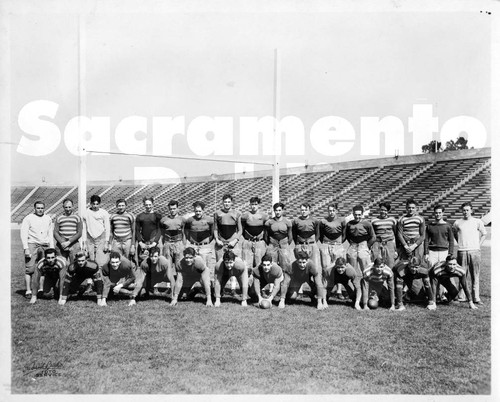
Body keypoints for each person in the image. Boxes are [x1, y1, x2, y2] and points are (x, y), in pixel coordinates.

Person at [452, 202, 487, 305]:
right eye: (464, 210)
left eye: (467, 210)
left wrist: (479, 245)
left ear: (471, 210)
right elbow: (454, 233)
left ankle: (476, 297)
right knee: (462, 274)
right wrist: (459, 242)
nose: (465, 212)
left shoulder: (477, 221)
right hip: (462, 251)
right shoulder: (458, 222)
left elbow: (484, 234)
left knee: (475, 275)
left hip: (475, 251)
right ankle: (461, 296)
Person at [20, 201, 54, 298]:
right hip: (32, 244)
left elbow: (50, 233)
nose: (40, 210)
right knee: (30, 269)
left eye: (42, 208)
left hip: (45, 245)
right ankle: (28, 291)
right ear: (34, 208)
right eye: (38, 208)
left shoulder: (48, 218)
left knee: (43, 268)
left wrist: (51, 247)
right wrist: (26, 248)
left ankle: (41, 289)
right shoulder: (28, 218)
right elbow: (24, 233)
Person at [318, 203, 346, 299]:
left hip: (337, 245)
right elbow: (321, 234)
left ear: (336, 211)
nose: (331, 212)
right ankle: (325, 290)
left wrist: (339, 242)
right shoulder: (323, 221)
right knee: (326, 268)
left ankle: (339, 291)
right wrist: (326, 243)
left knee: (338, 266)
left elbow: (344, 233)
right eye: (330, 210)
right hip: (326, 245)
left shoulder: (341, 220)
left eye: (333, 210)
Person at [184, 201, 215, 281]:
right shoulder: (189, 220)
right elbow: (186, 232)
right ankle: (191, 287)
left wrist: (207, 241)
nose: (198, 213)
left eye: (200, 211)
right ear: (194, 211)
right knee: (191, 266)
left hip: (205, 246)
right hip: (193, 245)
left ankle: (207, 288)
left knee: (206, 267)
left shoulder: (209, 220)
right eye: (196, 211)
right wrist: (191, 240)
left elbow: (212, 233)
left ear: (203, 210)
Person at [345, 205, 375, 276]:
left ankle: (366, 286)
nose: (357, 216)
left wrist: (367, 246)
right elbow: (347, 235)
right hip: (353, 246)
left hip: (363, 245)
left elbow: (373, 237)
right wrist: (352, 244)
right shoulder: (349, 224)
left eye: (359, 215)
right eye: (355, 214)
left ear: (362, 214)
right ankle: (355, 286)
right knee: (352, 270)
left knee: (366, 270)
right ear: (353, 214)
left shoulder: (367, 223)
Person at [240, 196, 269, 271]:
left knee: (260, 265)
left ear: (258, 205)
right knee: (246, 265)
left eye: (255, 204)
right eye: (252, 204)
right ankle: (248, 282)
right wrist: (246, 236)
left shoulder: (264, 216)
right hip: (248, 242)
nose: (253, 206)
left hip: (259, 242)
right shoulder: (246, 215)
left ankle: (259, 282)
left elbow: (267, 228)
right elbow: (241, 226)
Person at [83, 194, 110, 269]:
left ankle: (101, 278)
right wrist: (84, 242)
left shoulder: (104, 213)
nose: (95, 206)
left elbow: (107, 227)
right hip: (90, 238)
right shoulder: (86, 213)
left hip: (101, 238)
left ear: (99, 204)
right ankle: (91, 279)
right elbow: (84, 228)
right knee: (91, 260)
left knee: (101, 261)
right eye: (93, 204)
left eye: (97, 204)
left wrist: (106, 242)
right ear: (90, 204)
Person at [264, 202, 293, 271]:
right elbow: (266, 235)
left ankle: (285, 280)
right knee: (272, 264)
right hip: (273, 244)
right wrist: (270, 243)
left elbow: (290, 235)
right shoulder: (269, 222)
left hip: (284, 244)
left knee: (285, 264)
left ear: (282, 211)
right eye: (276, 210)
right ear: (274, 211)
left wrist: (285, 243)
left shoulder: (287, 222)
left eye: (279, 210)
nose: (278, 212)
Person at [213, 194, 242, 261]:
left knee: (234, 263)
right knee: (220, 264)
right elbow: (215, 228)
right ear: (222, 202)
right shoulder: (217, 213)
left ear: (231, 203)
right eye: (225, 202)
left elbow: (240, 230)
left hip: (232, 243)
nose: (227, 204)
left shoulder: (237, 213)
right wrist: (217, 240)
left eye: (229, 202)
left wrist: (235, 241)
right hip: (221, 243)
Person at [54, 198, 82, 264]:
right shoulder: (59, 218)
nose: (68, 209)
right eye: (66, 207)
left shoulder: (77, 218)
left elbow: (79, 233)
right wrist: (62, 242)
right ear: (63, 207)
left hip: (74, 243)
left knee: (75, 264)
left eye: (69, 207)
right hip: (61, 244)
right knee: (61, 264)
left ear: (73, 206)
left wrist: (69, 242)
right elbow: (55, 232)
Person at [292, 203, 320, 268]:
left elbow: (318, 234)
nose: (303, 211)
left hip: (311, 245)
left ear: (309, 211)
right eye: (302, 210)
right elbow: (294, 234)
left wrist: (313, 242)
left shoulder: (315, 221)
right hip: (300, 245)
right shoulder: (296, 221)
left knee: (314, 266)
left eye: (305, 210)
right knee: (301, 265)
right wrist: (297, 243)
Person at [371, 202, 397, 269]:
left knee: (390, 264)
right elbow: (372, 234)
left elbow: (396, 233)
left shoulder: (392, 220)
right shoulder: (374, 221)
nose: (383, 212)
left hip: (389, 243)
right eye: (382, 210)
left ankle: (390, 278)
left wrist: (396, 248)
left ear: (388, 211)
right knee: (377, 263)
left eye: (385, 210)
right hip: (377, 244)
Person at [135, 196, 162, 263]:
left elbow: (159, 230)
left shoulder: (157, 216)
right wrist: (140, 242)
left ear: (153, 204)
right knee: (144, 263)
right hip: (144, 243)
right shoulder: (140, 216)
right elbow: (137, 230)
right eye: (146, 205)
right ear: (144, 205)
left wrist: (155, 242)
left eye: (150, 204)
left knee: (155, 262)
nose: (148, 206)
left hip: (154, 242)